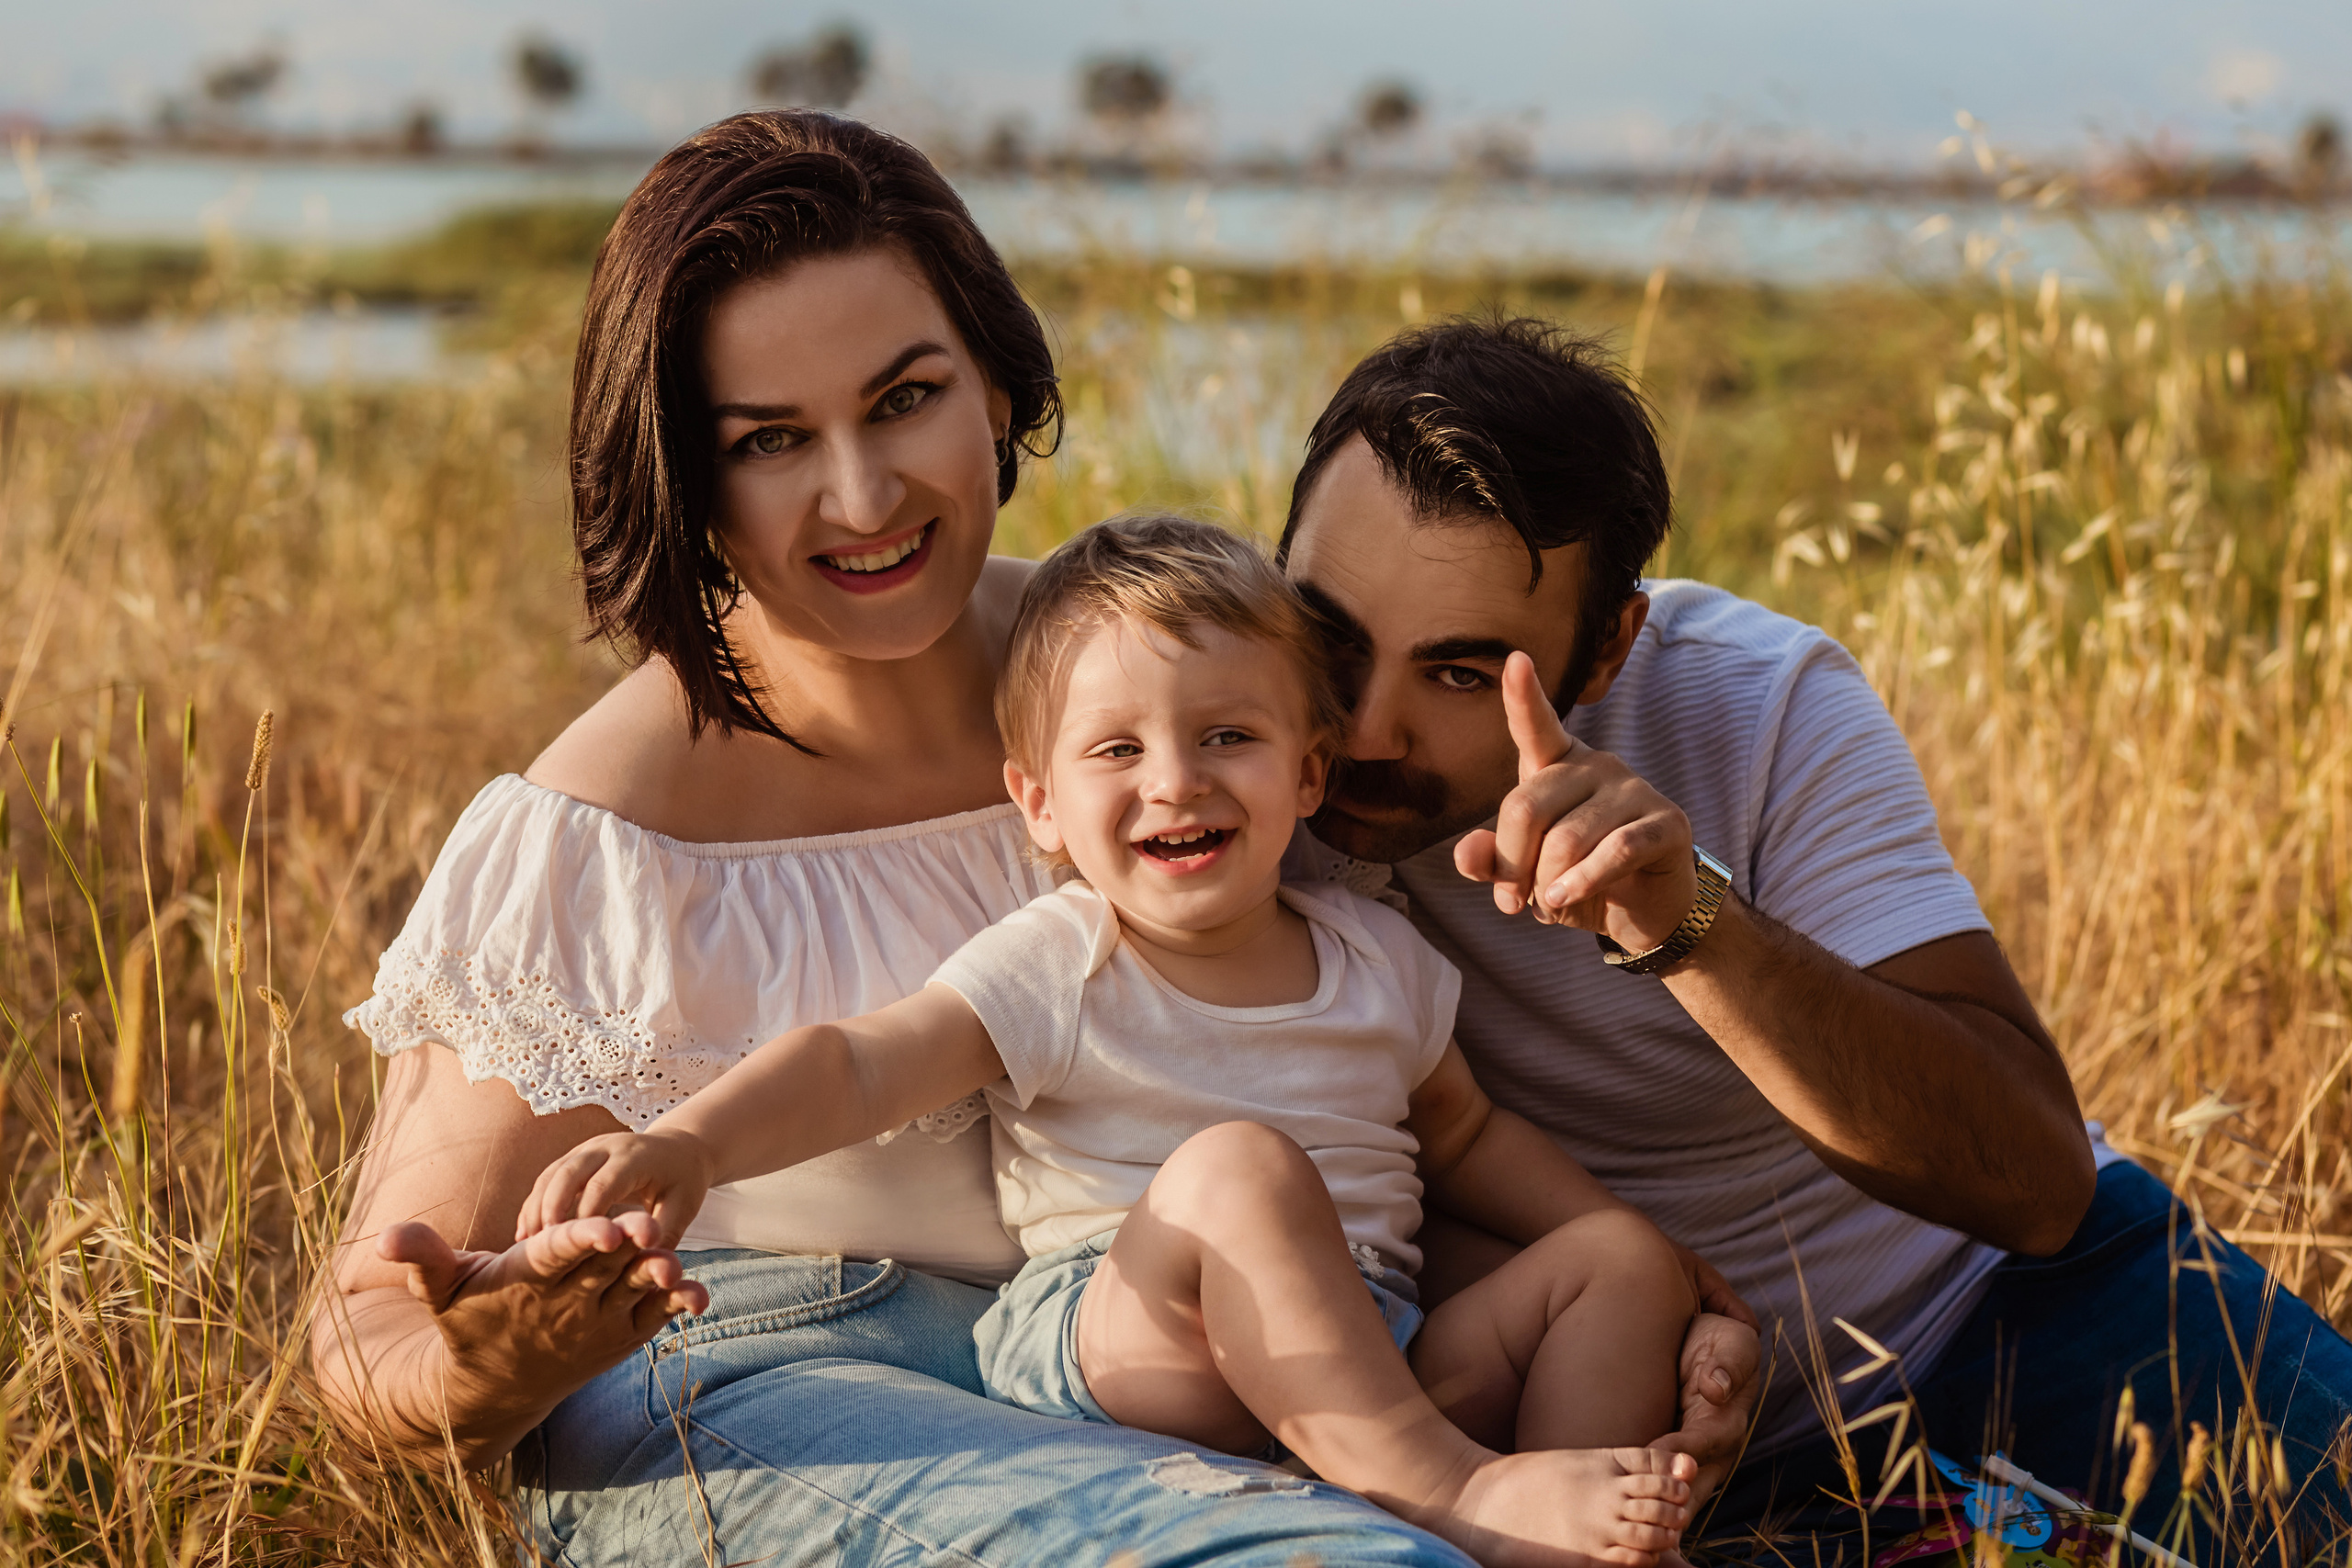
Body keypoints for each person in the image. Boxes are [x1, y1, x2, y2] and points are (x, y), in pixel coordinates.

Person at [311, 111, 1760, 1567]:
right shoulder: (597, 838)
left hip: (1187, 1384)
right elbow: (364, 1340)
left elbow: (1349, 1115)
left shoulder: (1175, 693)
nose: (866, 497)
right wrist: (490, 1362)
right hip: (775, 1383)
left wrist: (1648, 1302)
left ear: (995, 388)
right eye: (769, 441)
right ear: (689, 481)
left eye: (904, 398)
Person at [1273, 314, 2352, 1561]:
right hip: (1649, 1457)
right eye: (1333, 637)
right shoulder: (1206, 749)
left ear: (1608, 650)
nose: (1362, 729)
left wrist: (1688, 923)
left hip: (2022, 1309)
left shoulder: (1757, 699)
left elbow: (2036, 1182)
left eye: (1463, 673)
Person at [521, 514, 1708, 1568]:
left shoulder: (1375, 956)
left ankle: (1565, 1522)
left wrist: (1631, 1247)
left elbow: (1468, 1134)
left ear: (1309, 772)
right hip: (1128, 1338)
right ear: (1039, 802)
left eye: (1228, 736)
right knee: (1240, 1173)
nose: (1176, 783)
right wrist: (692, 1145)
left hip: (1369, 1353)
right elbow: (863, 1061)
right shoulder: (1068, 957)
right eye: (1118, 751)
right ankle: (1459, 1493)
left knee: (1621, 1264)